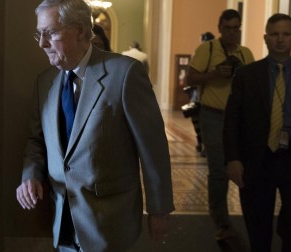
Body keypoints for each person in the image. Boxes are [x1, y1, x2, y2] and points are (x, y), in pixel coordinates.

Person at [15, 0, 174, 251]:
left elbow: (152, 146)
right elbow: (36, 140)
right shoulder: (44, 82)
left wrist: (159, 207)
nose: (41, 43)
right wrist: (30, 175)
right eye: (39, 33)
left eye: (50, 33)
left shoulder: (124, 73)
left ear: (79, 31)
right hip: (62, 217)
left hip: (109, 221)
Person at [224, 13, 291, 252]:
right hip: (258, 159)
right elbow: (231, 120)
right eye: (275, 34)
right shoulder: (247, 75)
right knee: (258, 228)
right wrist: (233, 159)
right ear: (266, 38)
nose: (280, 39)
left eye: (286, 34)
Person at [187, 9, 255, 240]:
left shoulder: (246, 54)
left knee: (245, 167)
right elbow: (190, 78)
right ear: (220, 28)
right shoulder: (207, 49)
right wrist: (215, 73)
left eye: (236, 27)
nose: (232, 32)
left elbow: (253, 85)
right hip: (213, 116)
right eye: (228, 28)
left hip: (240, 119)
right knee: (218, 170)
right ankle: (221, 221)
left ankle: (252, 215)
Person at [187, 31, 215, 156]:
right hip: (198, 93)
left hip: (207, 93)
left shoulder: (213, 55)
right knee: (197, 119)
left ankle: (203, 144)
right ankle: (201, 142)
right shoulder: (199, 53)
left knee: (203, 121)